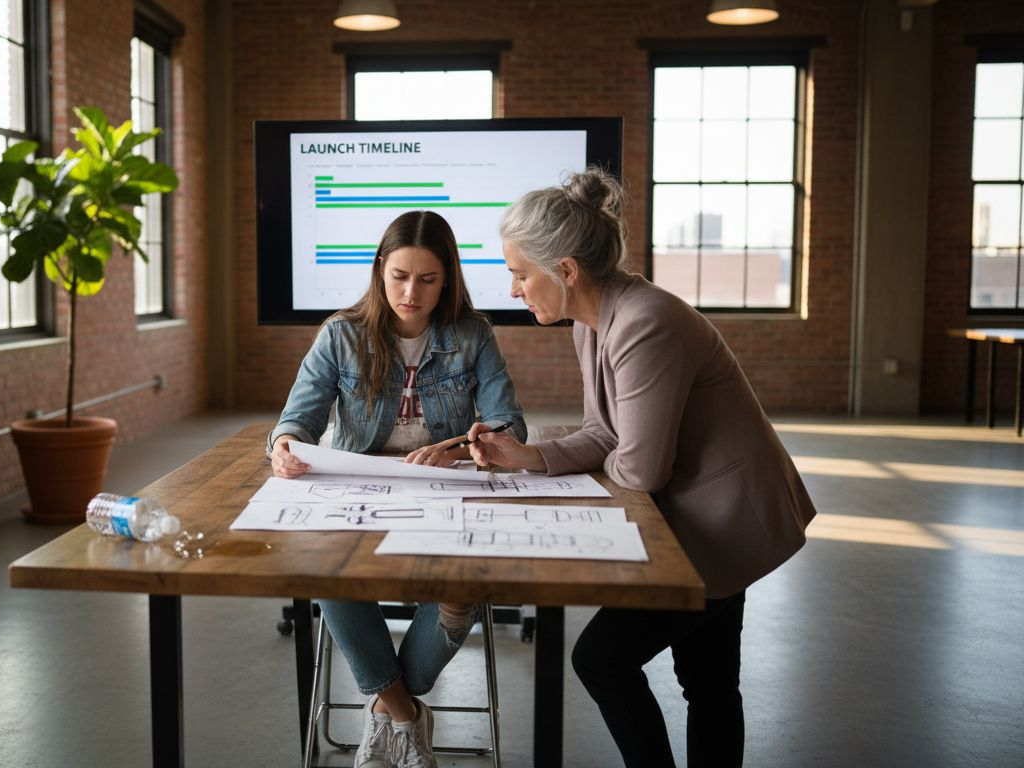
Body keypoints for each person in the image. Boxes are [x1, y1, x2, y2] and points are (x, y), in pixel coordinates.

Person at [465, 168, 816, 768]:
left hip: (726, 520)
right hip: (699, 514)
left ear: (566, 271)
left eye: (520, 273)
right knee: (708, 682)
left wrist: (601, 467)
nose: (515, 289)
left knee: (604, 660)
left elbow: (642, 469)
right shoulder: (592, 321)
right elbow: (609, 433)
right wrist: (530, 457)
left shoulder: (644, 322)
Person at [268, 210, 526, 768]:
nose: (411, 293)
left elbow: (510, 426)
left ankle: (390, 709)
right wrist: (285, 446)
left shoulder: (472, 335)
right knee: (326, 568)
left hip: (444, 489)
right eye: (400, 276)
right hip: (357, 491)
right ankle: (405, 715)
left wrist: (458, 448)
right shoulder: (342, 335)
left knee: (462, 586)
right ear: (380, 269)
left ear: (448, 278)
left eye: (428, 280)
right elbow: (297, 420)